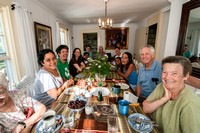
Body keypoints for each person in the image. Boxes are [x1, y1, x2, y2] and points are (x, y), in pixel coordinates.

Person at [143, 56, 200, 133]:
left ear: (186, 76)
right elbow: (146, 108)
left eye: (174, 73)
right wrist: (164, 99)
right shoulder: (161, 87)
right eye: (165, 72)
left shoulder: (190, 104)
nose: (167, 77)